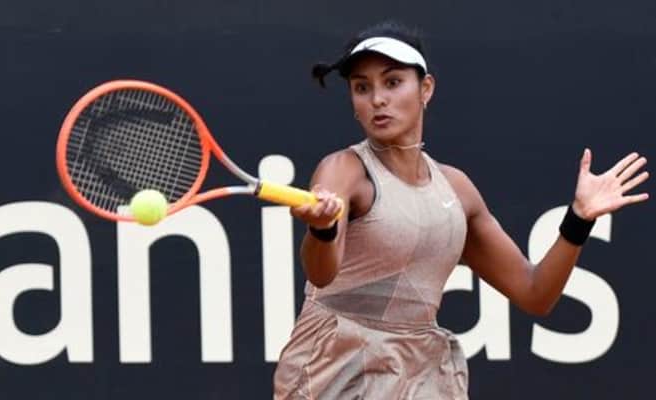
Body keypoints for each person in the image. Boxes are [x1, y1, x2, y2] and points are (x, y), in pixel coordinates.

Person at [273, 21, 650, 399]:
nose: (377, 99)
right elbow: (321, 274)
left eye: (392, 82)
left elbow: (535, 293)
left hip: (416, 375)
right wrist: (322, 230)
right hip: (335, 369)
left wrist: (579, 219)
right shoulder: (343, 170)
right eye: (362, 87)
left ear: (426, 89)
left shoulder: (457, 191)